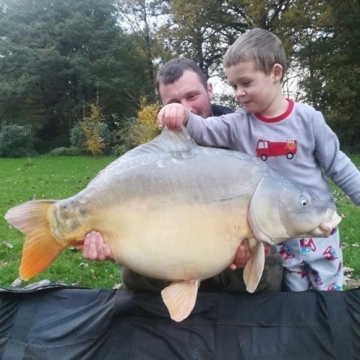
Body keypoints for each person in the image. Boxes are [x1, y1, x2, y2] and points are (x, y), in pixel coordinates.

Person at [157, 28, 360, 292]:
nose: (239, 93)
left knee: (329, 292)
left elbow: (338, 165)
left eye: (246, 83)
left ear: (275, 73)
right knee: (293, 296)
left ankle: (330, 329)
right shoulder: (237, 124)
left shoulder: (308, 118)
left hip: (317, 225)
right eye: (233, 86)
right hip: (275, 232)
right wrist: (183, 115)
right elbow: (205, 129)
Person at [82, 58, 283, 293]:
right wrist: (114, 243)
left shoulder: (241, 134)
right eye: (174, 102)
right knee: (133, 274)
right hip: (168, 252)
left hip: (227, 255)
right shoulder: (157, 157)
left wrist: (253, 249)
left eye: (192, 96)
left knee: (267, 262)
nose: (185, 109)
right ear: (164, 106)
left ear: (209, 90)